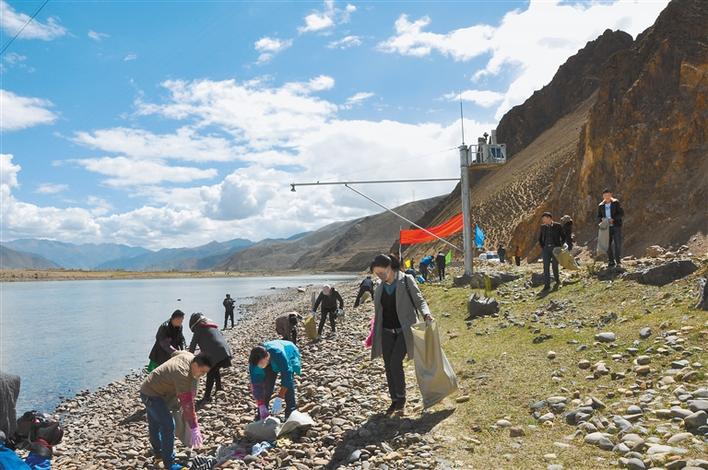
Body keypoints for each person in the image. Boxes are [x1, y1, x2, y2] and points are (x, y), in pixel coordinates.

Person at [369, 254, 433, 416]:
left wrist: (426, 314)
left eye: (382, 273)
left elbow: (419, 300)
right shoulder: (380, 286)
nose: (380, 276)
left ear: (390, 267)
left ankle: (401, 399)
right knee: (388, 365)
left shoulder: (406, 280)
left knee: (395, 362)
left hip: (405, 330)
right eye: (377, 274)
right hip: (386, 331)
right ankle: (394, 399)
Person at [140, 351, 211, 470]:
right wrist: (194, 427)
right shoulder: (182, 374)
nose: (202, 375)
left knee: (155, 424)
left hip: (154, 388)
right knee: (168, 425)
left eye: (205, 373)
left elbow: (174, 353)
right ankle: (170, 463)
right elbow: (187, 405)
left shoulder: (188, 356)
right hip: (151, 394)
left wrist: (167, 372)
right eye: (202, 371)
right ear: (195, 365)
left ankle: (158, 455)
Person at [249, 340, 302, 420]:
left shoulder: (278, 353)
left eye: (261, 363)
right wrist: (261, 404)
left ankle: (290, 412)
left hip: (286, 353)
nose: (260, 366)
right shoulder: (254, 363)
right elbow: (256, 384)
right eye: (258, 365)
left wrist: (279, 398)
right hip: (268, 362)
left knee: (288, 385)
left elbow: (286, 376)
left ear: (267, 356)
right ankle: (262, 413)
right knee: (266, 387)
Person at [188, 313, 232, 404]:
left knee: (210, 372)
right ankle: (219, 387)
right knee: (215, 368)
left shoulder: (199, 328)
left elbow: (193, 344)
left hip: (216, 353)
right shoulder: (212, 326)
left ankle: (207, 397)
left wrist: (188, 357)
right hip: (225, 351)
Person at [538, 212, 566, 291]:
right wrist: (543, 247)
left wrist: (560, 246)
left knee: (555, 265)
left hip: (555, 249)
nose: (543, 220)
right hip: (546, 249)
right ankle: (547, 285)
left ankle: (557, 280)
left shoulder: (558, 226)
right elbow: (540, 238)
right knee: (545, 267)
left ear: (549, 218)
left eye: (544, 219)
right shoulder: (543, 227)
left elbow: (563, 237)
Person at [597, 189, 624, 267]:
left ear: (611, 195)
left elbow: (621, 213)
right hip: (606, 227)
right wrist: (602, 219)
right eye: (605, 195)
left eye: (608, 195)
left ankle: (618, 260)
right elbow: (598, 216)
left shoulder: (616, 203)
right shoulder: (601, 205)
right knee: (607, 245)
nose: (607, 197)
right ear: (603, 196)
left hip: (616, 226)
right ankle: (611, 261)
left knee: (617, 243)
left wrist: (613, 219)